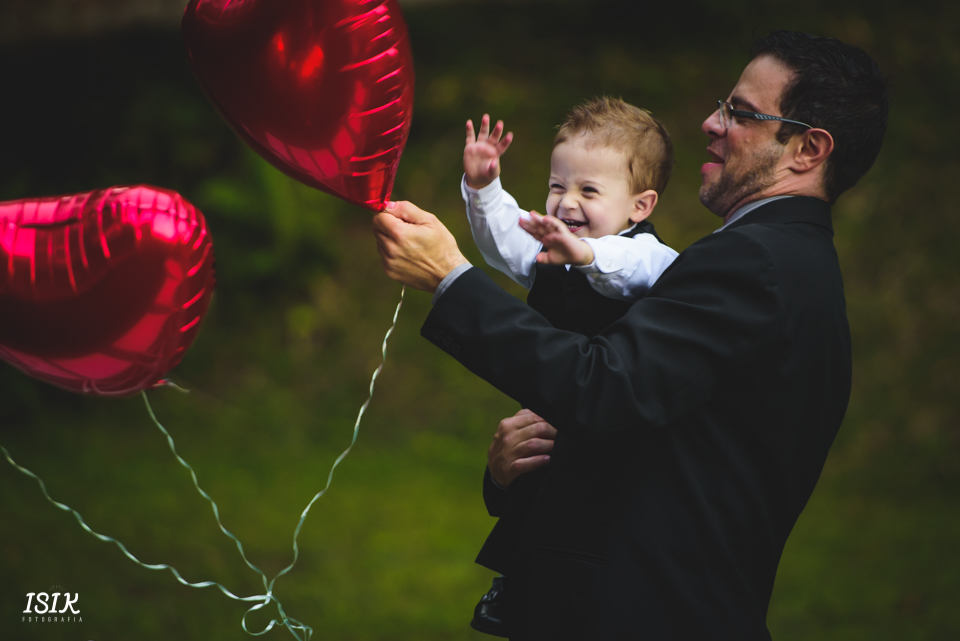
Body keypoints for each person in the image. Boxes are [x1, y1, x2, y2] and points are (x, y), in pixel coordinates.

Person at [373, 30, 888, 639]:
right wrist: (510, 470)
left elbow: (602, 384)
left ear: (808, 148)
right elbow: (659, 436)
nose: (711, 122)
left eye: (741, 113)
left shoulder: (757, 264)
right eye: (724, 106)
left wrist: (447, 278)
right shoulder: (789, 263)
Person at [460, 97, 678, 635]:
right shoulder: (553, 251)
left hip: (614, 423)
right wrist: (485, 189)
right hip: (554, 410)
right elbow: (504, 241)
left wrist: (583, 255)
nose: (567, 203)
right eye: (558, 186)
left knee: (585, 510)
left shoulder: (652, 258)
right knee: (534, 490)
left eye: (589, 190)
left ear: (640, 206)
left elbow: (627, 271)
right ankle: (517, 583)